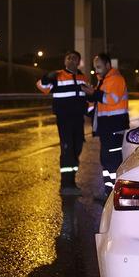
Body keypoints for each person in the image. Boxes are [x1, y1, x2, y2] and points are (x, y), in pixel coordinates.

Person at [36, 51, 90, 195]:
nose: (71, 61)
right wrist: (47, 77)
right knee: (67, 150)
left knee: (77, 148)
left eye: (75, 59)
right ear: (65, 61)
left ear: (79, 62)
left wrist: (91, 112)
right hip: (64, 119)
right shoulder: (57, 76)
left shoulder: (82, 77)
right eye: (69, 58)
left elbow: (88, 97)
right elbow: (42, 86)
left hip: (78, 119)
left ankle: (71, 182)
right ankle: (66, 185)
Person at [81, 53, 129, 199]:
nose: (96, 70)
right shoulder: (103, 81)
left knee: (112, 160)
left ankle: (116, 193)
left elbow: (112, 99)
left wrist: (94, 93)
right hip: (106, 127)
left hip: (114, 126)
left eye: (99, 67)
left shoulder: (116, 79)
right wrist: (90, 96)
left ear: (108, 65)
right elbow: (97, 105)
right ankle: (109, 191)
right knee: (106, 159)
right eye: (95, 67)